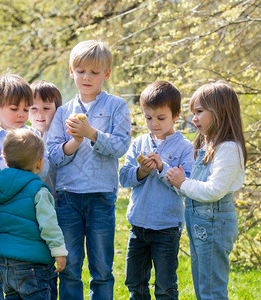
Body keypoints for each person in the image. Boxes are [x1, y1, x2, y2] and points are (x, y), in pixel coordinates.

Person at [46, 40, 132, 300]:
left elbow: (120, 146)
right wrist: (75, 141)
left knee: (102, 268)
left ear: (106, 75)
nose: (87, 77)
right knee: (69, 267)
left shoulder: (116, 106)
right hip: (68, 196)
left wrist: (91, 133)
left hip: (101, 197)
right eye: (81, 71)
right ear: (71, 71)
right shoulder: (63, 112)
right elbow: (53, 155)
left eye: (95, 72)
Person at [166, 81, 247, 300]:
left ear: (220, 111)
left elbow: (214, 191)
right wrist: (174, 179)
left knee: (212, 289)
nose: (194, 119)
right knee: (203, 284)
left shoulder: (228, 148)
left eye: (200, 112)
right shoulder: (206, 144)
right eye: (193, 113)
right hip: (200, 221)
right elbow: (195, 186)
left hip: (214, 223)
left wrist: (183, 183)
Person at [119, 81, 194, 299]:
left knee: (165, 286)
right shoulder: (139, 142)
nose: (154, 123)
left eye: (161, 118)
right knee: (135, 282)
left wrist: (163, 167)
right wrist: (141, 171)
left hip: (166, 228)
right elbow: (124, 178)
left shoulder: (184, 147)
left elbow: (185, 187)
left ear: (176, 115)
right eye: (148, 117)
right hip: (139, 225)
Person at [0, 128, 68, 299]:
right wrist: (59, 251)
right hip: (32, 264)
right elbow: (49, 225)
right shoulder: (38, 190)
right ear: (40, 163)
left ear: (5, 159)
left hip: (5, 263)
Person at [0, 73, 38, 299]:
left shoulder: (34, 135)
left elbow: (39, 171)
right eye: (14, 109)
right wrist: (22, 166)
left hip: (27, 217)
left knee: (25, 271)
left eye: (26, 109)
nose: (22, 115)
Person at [29, 80, 62, 196]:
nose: (40, 113)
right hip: (30, 198)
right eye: (34, 108)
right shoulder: (25, 136)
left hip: (57, 198)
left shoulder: (61, 136)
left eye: (46, 108)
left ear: (57, 109)